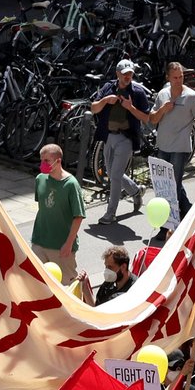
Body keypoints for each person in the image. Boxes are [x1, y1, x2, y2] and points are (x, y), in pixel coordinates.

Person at [147, 62, 195, 220]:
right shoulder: (162, 94)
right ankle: (188, 212)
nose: (178, 80)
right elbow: (152, 119)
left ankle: (168, 223)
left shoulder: (192, 97)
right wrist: (162, 109)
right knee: (169, 185)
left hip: (180, 147)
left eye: (181, 76)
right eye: (175, 77)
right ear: (168, 78)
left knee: (172, 185)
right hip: (162, 146)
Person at [90, 60, 151, 224]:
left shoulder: (137, 92)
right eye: (124, 74)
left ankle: (110, 214)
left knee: (115, 176)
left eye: (130, 74)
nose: (127, 77)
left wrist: (130, 107)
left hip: (126, 139)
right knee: (111, 173)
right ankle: (136, 191)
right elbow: (93, 108)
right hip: (108, 136)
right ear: (117, 74)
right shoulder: (108, 88)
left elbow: (147, 118)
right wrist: (104, 101)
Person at [31, 143, 86, 277]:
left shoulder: (71, 185)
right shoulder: (40, 179)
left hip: (61, 246)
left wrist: (68, 244)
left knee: (67, 284)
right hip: (39, 242)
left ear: (58, 161)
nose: (43, 164)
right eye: (41, 160)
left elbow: (78, 217)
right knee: (38, 282)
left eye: (47, 161)